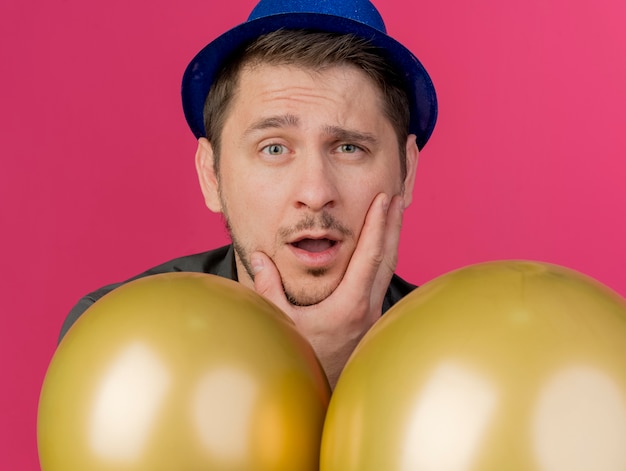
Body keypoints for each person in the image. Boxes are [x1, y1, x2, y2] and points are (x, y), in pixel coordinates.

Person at [60, 0, 437, 388]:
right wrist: (306, 371)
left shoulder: (457, 350)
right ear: (211, 175)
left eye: (348, 148)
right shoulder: (116, 337)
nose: (315, 192)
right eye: (274, 148)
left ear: (405, 173)